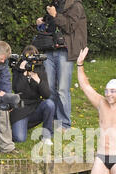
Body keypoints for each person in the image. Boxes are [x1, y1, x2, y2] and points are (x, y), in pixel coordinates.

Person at [36, 0, 87, 131]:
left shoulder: (76, 6)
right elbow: (51, 23)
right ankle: (52, 121)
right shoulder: (55, 3)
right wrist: (42, 21)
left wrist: (54, 15)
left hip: (65, 51)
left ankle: (64, 124)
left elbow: (70, 26)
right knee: (50, 88)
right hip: (49, 48)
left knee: (62, 90)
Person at [11, 45, 55, 145]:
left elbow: (46, 94)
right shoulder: (17, 69)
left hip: (35, 107)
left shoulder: (40, 69)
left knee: (49, 104)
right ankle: (19, 125)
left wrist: (38, 81)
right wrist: (23, 72)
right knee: (19, 138)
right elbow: (17, 89)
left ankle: (46, 136)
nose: (31, 63)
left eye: (33, 58)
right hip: (20, 109)